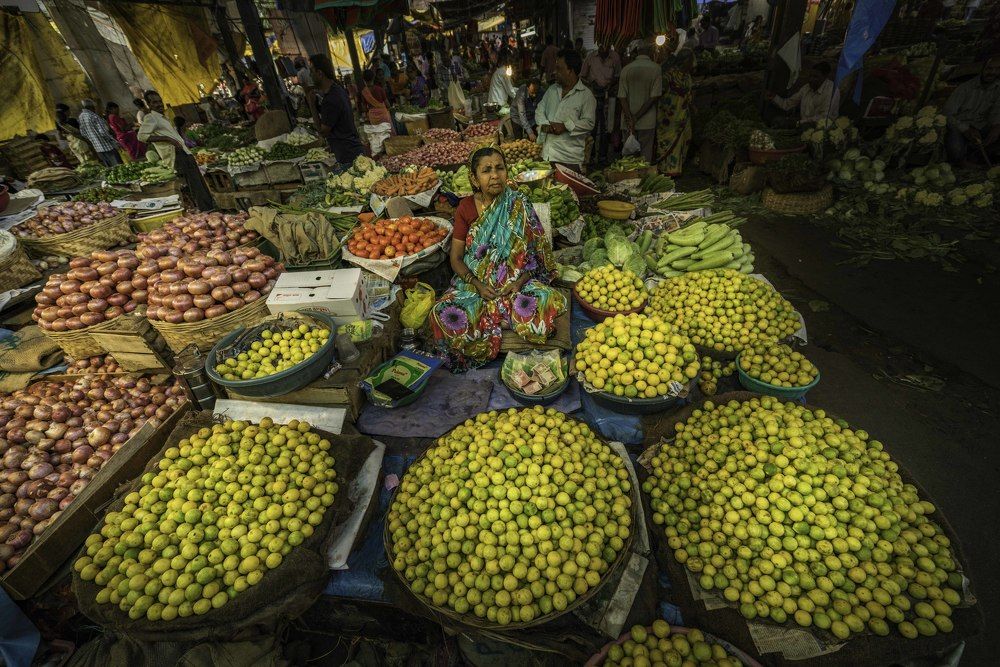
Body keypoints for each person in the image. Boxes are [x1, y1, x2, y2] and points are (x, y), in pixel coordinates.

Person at [431, 146, 566, 371]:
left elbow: (535, 256)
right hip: (476, 287)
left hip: (515, 287)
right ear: (474, 179)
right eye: (486, 170)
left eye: (499, 168)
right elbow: (456, 258)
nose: (494, 175)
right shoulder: (466, 208)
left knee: (546, 301)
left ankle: (491, 319)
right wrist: (478, 284)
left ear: (506, 172)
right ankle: (504, 319)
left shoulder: (519, 203)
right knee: (442, 313)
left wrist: (519, 282)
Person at [137, 90, 215, 211]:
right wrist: (168, 139)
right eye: (154, 102)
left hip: (184, 152)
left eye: (160, 101)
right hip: (177, 154)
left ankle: (208, 207)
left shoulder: (162, 117)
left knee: (197, 181)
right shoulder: (151, 117)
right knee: (194, 184)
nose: (159, 104)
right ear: (149, 104)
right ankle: (206, 209)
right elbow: (141, 136)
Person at [535, 49, 597, 173]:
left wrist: (565, 126)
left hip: (569, 160)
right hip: (547, 156)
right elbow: (539, 110)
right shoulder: (552, 90)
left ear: (570, 70)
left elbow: (589, 123)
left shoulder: (586, 95)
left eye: (559, 68)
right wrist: (545, 125)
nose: (554, 72)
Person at [309, 54, 365, 166]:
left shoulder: (331, 99)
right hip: (351, 147)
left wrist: (312, 105)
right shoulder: (338, 89)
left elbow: (323, 131)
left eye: (311, 71)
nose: (310, 75)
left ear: (320, 73)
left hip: (347, 152)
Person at [943, 56, 1000, 164]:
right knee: (956, 152)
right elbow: (947, 114)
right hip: (961, 127)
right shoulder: (965, 88)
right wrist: (966, 129)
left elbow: (997, 111)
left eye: (997, 69)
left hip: (982, 127)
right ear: (982, 69)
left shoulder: (998, 88)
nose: (993, 72)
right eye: (989, 68)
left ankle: (977, 154)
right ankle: (967, 156)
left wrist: (997, 126)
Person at [619, 41, 663, 164]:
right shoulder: (656, 69)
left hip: (628, 122)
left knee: (629, 160)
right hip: (647, 121)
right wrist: (636, 117)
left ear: (637, 52)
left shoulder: (626, 69)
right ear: (650, 52)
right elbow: (654, 97)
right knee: (645, 157)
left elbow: (622, 97)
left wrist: (630, 118)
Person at [656, 49, 696, 176]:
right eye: (691, 60)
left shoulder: (687, 77)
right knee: (668, 141)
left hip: (683, 115)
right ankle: (667, 169)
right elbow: (659, 93)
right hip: (669, 116)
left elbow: (689, 94)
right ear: (685, 61)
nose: (693, 63)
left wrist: (692, 107)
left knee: (686, 138)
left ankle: (677, 166)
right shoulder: (669, 75)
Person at [581, 42, 622, 166]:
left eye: (606, 46)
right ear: (599, 46)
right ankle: (591, 156)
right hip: (593, 97)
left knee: (606, 128)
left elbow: (618, 76)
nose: (604, 48)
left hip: (608, 98)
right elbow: (582, 76)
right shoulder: (590, 57)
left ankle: (603, 157)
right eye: (602, 46)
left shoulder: (615, 57)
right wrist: (591, 85)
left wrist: (610, 85)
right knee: (592, 127)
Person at [767, 63, 840, 124]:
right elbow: (788, 104)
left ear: (825, 77)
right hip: (803, 126)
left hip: (821, 130)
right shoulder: (806, 87)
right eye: (810, 76)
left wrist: (799, 122)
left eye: (815, 77)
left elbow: (825, 117)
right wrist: (774, 97)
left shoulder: (831, 91)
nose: (811, 79)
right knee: (777, 120)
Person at [78, 99, 121, 167]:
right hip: (108, 147)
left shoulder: (81, 117)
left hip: (98, 149)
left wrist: (94, 140)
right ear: (91, 107)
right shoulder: (94, 116)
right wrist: (115, 142)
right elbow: (103, 133)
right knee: (119, 166)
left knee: (110, 168)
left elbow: (83, 134)